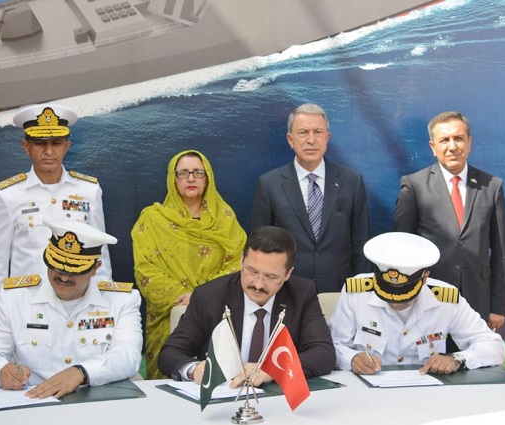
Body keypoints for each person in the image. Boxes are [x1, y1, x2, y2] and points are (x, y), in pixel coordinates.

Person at [0, 219, 142, 399]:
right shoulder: (15, 298)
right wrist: (1, 370)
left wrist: (81, 373)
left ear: (95, 268)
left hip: (97, 402)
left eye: (74, 271)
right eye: (56, 267)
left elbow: (128, 356)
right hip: (35, 402)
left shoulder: (122, 300)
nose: (64, 277)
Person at [158, 226, 335, 387]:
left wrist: (273, 369)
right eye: (253, 271)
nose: (258, 284)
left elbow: (324, 353)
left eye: (271, 277)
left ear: (288, 273)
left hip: (277, 400)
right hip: (222, 399)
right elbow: (170, 353)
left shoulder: (302, 293)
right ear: (242, 260)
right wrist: (194, 369)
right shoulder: (209, 296)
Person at [0, 103, 112, 318]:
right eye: (40, 143)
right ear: (26, 146)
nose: (49, 151)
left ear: (67, 146)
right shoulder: (8, 195)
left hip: (78, 307)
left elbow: (101, 259)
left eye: (56, 143)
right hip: (26, 309)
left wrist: (102, 311)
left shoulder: (89, 191)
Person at [131, 150, 247, 379]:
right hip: (170, 312)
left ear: (208, 178)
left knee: (220, 381)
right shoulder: (152, 219)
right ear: (172, 179)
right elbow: (145, 269)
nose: (191, 179)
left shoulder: (224, 217)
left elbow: (239, 261)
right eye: (183, 173)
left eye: (198, 173)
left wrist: (201, 295)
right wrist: (183, 295)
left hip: (217, 312)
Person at [394, 111, 505, 331]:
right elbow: (403, 250)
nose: (452, 146)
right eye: (444, 140)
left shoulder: (492, 186)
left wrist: (498, 306)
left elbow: (501, 252)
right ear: (432, 147)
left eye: (458, 138)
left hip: (478, 301)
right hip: (427, 301)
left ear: (469, 142)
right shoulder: (414, 186)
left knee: (476, 362)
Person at [330, 232, 505, 376]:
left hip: (425, 394)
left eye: (403, 294)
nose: (394, 301)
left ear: (425, 278)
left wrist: (457, 358)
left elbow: (494, 345)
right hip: (367, 390)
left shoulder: (446, 298)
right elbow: (333, 344)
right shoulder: (356, 292)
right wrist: (352, 358)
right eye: (387, 293)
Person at [251, 103, 371, 293]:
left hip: (340, 293)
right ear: (290, 139)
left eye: (318, 132)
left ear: (327, 137)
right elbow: (260, 249)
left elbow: (361, 242)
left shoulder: (351, 181)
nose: (311, 140)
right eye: (303, 133)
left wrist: (360, 293)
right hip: (288, 292)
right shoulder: (269, 184)